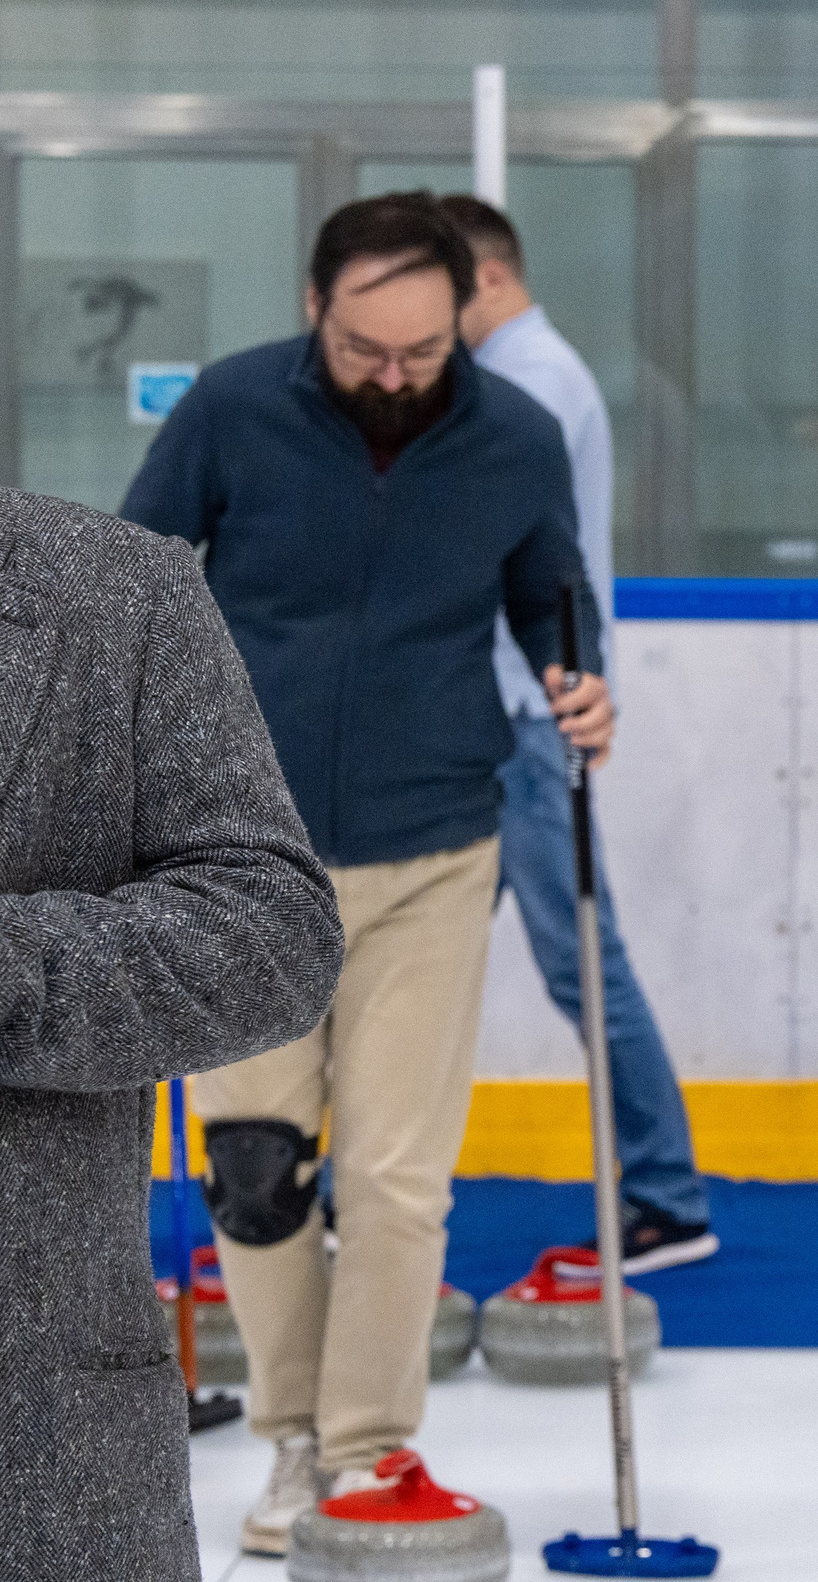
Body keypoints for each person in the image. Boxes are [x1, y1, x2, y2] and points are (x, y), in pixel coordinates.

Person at [121, 191, 614, 1558]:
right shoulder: (230, 409)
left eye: (424, 351)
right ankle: (290, 1433)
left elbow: (553, 594)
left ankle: (366, 1446)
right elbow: (134, 579)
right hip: (238, 853)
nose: (394, 377)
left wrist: (581, 680)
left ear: (464, 317)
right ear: (314, 307)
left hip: (433, 846)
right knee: (257, 1168)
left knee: (398, 1175)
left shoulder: (516, 436)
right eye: (364, 349)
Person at [0, 493, 344, 1580]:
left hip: (37, 1448)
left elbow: (274, 932)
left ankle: (356, 1439)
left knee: (391, 1178)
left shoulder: (113, 590)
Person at [441, 194, 717, 1273]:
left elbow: (495, 550)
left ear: (488, 278)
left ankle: (667, 1195)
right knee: (414, 963)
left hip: (523, 715)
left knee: (583, 964)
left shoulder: (532, 383)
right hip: (501, 716)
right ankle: (336, 1188)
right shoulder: (521, 374)